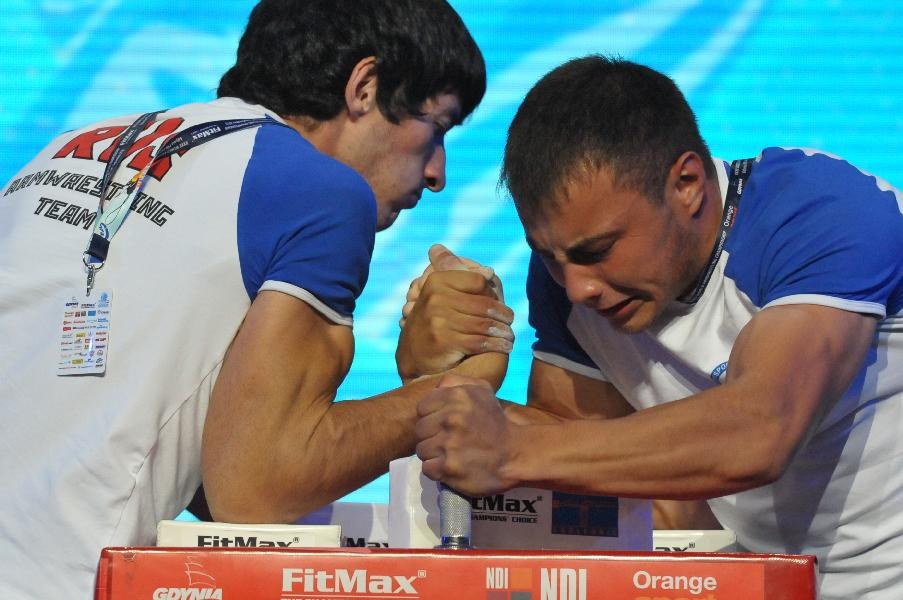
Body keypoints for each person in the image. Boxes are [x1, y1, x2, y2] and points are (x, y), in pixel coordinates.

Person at [0, 1, 515, 597]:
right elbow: (255, 490)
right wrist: (453, 390)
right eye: (438, 128)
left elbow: (198, 475)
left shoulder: (62, 151)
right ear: (365, 88)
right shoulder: (323, 191)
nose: (438, 173)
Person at [403, 56, 903, 599]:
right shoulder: (573, 282)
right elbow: (586, 460)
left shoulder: (819, 212)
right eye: (549, 257)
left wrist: (507, 451)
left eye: (597, 251)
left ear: (686, 183)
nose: (578, 288)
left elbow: (760, 430)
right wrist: (445, 380)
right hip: (768, 584)